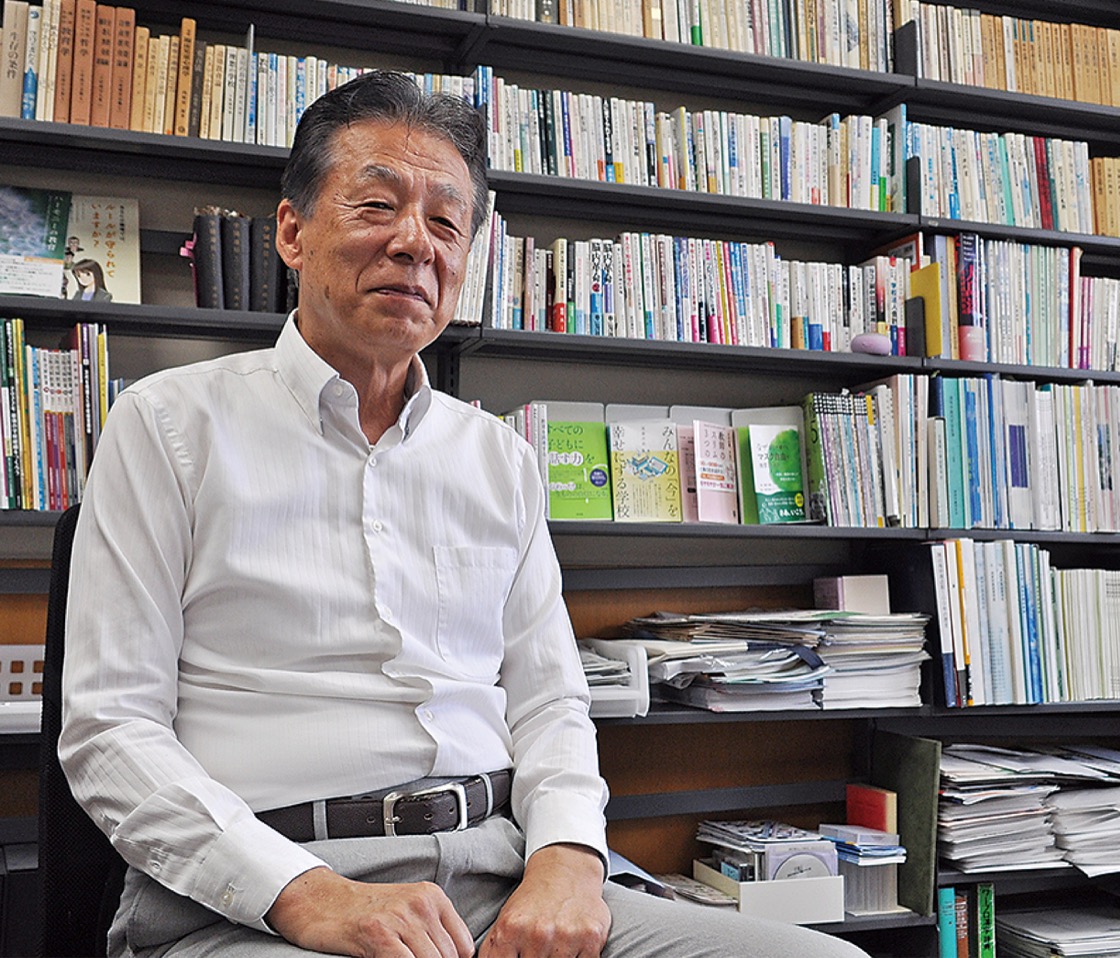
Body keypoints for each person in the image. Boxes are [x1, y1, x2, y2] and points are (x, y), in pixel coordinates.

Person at [60, 71, 870, 958]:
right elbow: (111, 730)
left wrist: (568, 860)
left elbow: (550, 702)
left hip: (497, 869)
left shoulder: (499, 459)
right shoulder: (167, 425)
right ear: (292, 231)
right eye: (377, 206)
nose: (415, 242)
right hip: (262, 891)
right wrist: (307, 894)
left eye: (447, 223)